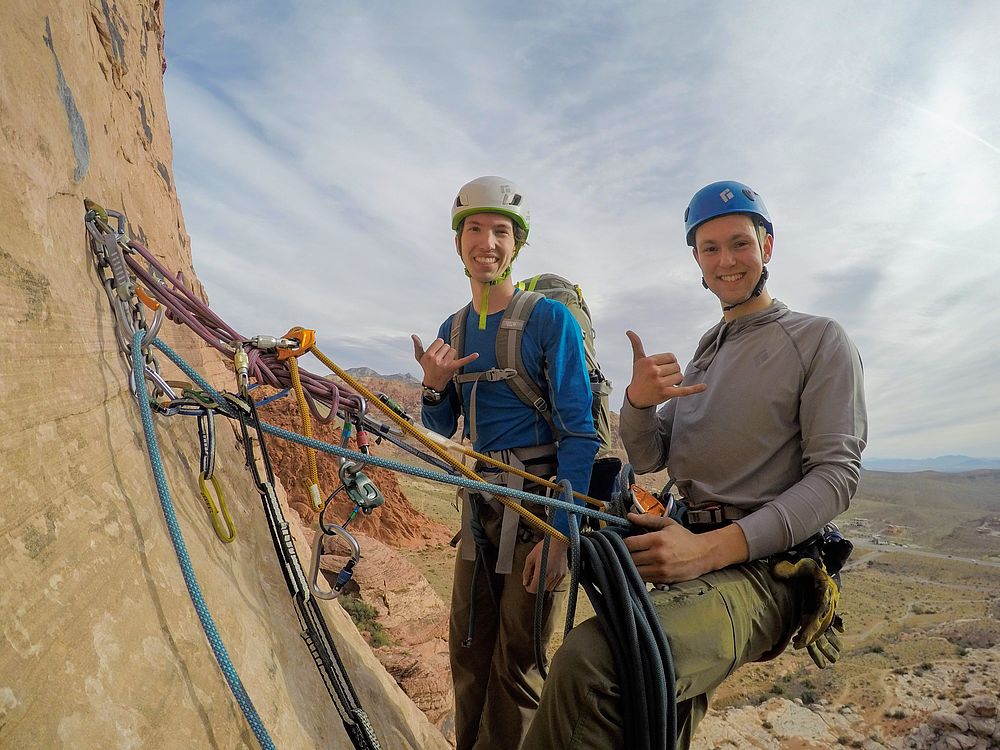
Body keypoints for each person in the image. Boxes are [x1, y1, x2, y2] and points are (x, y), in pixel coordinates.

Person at [521, 180, 868, 749]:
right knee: (653, 720)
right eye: (710, 249)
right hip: (688, 550)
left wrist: (711, 548)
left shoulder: (817, 339)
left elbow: (836, 476)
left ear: (768, 248)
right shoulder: (711, 346)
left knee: (591, 665)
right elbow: (654, 453)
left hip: (761, 569)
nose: (726, 261)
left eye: (739, 244)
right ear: (697, 261)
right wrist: (637, 402)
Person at [411, 175, 600, 750]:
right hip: (480, 510)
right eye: (474, 229)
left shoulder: (549, 321)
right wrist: (434, 387)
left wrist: (562, 531)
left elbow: (578, 432)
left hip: (538, 509)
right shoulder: (455, 328)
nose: (486, 242)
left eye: (500, 231)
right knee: (467, 651)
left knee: (517, 663)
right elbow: (444, 429)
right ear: (458, 242)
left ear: (516, 244)